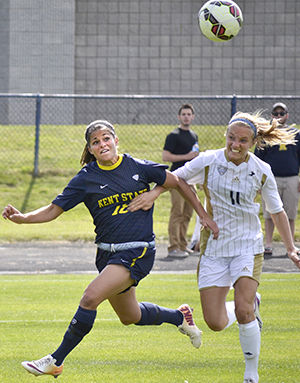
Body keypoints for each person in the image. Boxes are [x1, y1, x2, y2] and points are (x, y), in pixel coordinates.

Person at [2, 120, 219, 378]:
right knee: (131, 316)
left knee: (90, 297)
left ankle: (55, 360)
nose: (102, 144)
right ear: (91, 149)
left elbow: (179, 181)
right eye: (96, 142)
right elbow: (52, 210)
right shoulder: (86, 178)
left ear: (116, 141)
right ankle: (179, 316)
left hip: (137, 251)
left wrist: (173, 202)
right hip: (107, 254)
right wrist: (23, 218)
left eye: (106, 139)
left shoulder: (137, 166)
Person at [129, 111, 300, 383]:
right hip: (215, 248)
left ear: (253, 143)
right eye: (231, 138)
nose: (235, 144)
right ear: (226, 136)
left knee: (243, 311)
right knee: (215, 322)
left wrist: (290, 248)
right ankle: (252, 303)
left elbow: (277, 211)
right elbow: (176, 177)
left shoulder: (261, 170)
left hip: (247, 245)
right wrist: (156, 194)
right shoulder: (209, 160)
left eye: (243, 141)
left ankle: (251, 374)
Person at [254, 103, 300, 257]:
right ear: (271, 115)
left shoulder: (296, 133)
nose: (279, 116)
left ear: (287, 115)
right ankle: (268, 244)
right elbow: (257, 160)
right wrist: (259, 181)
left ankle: (290, 245)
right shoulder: (266, 134)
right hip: (270, 179)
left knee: (290, 213)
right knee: (269, 214)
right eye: (276, 113)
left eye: (282, 113)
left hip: (292, 178)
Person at [162, 103, 199, 258]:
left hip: (191, 181)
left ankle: (183, 245)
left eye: (189, 114)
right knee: (177, 213)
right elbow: (166, 156)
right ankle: (173, 247)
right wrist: (186, 157)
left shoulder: (194, 136)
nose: (186, 117)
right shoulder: (173, 135)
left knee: (187, 214)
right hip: (177, 179)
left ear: (193, 116)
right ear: (179, 117)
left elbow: (196, 158)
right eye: (183, 114)